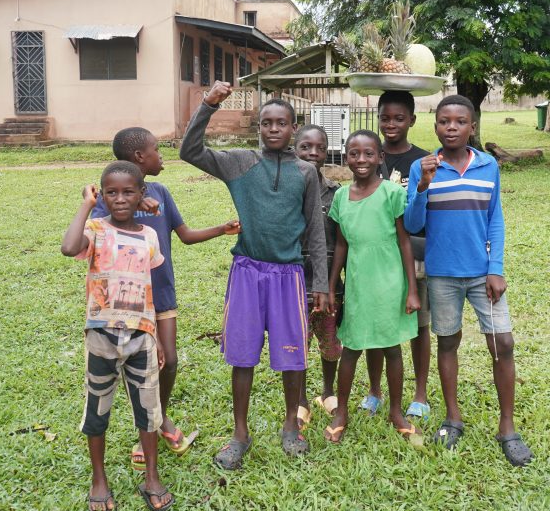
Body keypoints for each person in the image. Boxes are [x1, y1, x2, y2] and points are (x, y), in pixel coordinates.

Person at [180, 80, 328, 469]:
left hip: (289, 275)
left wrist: (322, 283)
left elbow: (314, 229)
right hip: (247, 272)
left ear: (294, 128)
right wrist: (208, 105)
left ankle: (291, 427)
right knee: (243, 357)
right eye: (266, 123)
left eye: (281, 123)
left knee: (293, 358)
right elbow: (189, 150)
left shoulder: (305, 172)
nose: (273, 129)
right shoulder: (240, 162)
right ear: (258, 127)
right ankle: (240, 434)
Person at [91, 127, 240, 468]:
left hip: (161, 292)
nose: (162, 155)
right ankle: (151, 428)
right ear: (139, 157)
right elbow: (97, 236)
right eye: (156, 149)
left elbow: (184, 235)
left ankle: (158, 418)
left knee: (169, 360)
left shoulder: (162, 192)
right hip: (125, 300)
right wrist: (131, 202)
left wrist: (222, 229)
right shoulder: (111, 197)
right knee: (136, 366)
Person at [404, 95, 533, 466]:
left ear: (472, 127)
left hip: (481, 274)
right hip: (442, 273)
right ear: (435, 126)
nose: (452, 128)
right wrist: (425, 184)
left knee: (502, 342)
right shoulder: (422, 167)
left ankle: (506, 426)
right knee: (448, 341)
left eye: (460, 122)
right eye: (444, 121)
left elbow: (495, 218)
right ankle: (452, 416)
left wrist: (496, 267)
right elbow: (414, 225)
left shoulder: (488, 165)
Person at [60, 161, 173, 511]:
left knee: (148, 410)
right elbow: (68, 247)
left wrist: (153, 335)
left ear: (142, 194)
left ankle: (152, 476)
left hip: (141, 337)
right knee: (98, 410)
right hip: (101, 337)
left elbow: (147, 287)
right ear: (102, 195)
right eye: (111, 192)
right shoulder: (94, 229)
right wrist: (85, 203)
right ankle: (99, 479)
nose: (119, 199)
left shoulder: (149, 236)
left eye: (128, 192)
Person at [324, 130, 421, 444]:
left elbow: (404, 242)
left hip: (390, 282)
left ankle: (395, 410)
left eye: (368, 153)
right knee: (351, 346)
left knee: (391, 347)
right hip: (358, 284)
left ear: (381, 157)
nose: (361, 159)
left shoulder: (392, 193)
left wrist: (411, 289)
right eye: (354, 153)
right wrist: (330, 285)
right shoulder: (341, 196)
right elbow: (340, 244)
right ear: (346, 158)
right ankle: (341, 412)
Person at [361, 90, 432, 421]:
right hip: (376, 257)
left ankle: (419, 393)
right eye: (385, 118)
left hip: (415, 253)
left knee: (419, 324)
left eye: (399, 118)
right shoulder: (369, 156)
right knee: (377, 323)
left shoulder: (423, 161)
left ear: (412, 121)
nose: (391, 124)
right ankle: (374, 390)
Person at [293, 124, 343, 421]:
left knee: (330, 341)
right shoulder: (284, 190)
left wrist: (335, 284)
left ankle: (327, 391)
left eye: (320, 148)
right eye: (306, 147)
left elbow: (340, 242)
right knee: (297, 343)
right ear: (294, 148)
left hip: (327, 283)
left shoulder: (335, 193)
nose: (313, 153)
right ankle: (299, 399)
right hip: (293, 281)